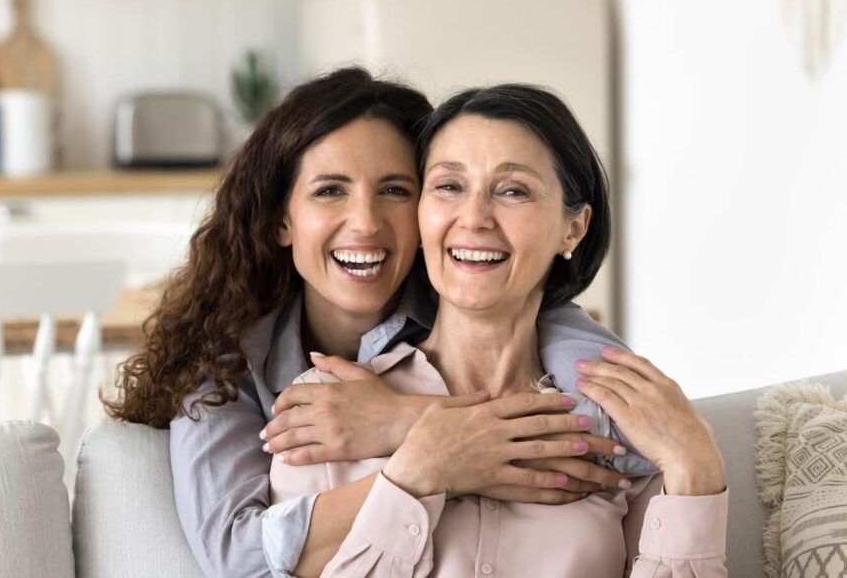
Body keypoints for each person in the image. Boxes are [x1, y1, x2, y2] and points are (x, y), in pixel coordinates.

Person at [103, 68, 650, 578]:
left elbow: (632, 440)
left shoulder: (480, 299)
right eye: (329, 190)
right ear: (280, 219)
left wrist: (401, 420)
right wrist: (439, 457)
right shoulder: (225, 366)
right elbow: (238, 554)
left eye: (395, 190)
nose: (364, 223)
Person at [269, 83, 728, 576]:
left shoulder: (624, 425)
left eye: (513, 191)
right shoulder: (323, 410)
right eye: (449, 186)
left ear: (573, 229)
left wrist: (695, 470)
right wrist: (416, 474)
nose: (474, 217)